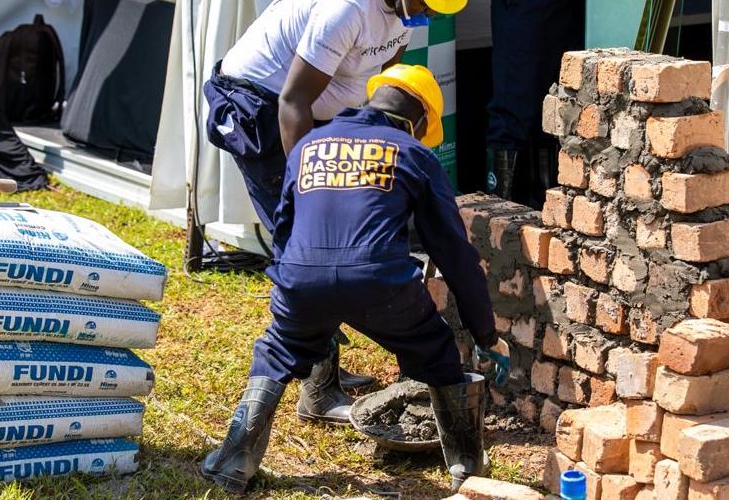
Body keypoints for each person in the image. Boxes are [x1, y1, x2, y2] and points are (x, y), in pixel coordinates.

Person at [200, 64, 512, 494]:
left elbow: (284, 227)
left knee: (276, 351)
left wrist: (299, 297)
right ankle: (467, 467)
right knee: (436, 351)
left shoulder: (308, 145)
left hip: (301, 278)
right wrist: (485, 333)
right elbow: (453, 252)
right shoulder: (412, 153)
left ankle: (233, 462)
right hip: (381, 284)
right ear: (419, 120)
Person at [203, 0, 473, 424]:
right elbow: (293, 102)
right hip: (263, 109)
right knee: (306, 243)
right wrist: (307, 190)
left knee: (334, 237)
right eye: (425, 3)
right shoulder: (348, 4)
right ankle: (318, 391)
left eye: (436, 9)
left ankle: (321, 368)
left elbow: (376, 87)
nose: (427, 16)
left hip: (312, 113)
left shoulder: (403, 4)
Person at [486, 0, 629, 206]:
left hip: (564, 6)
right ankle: (499, 208)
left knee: (557, 107)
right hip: (525, 8)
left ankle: (548, 204)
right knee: (516, 108)